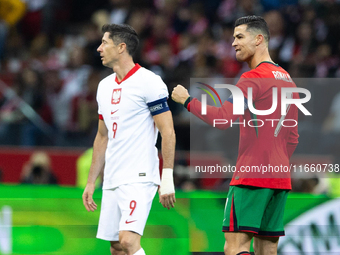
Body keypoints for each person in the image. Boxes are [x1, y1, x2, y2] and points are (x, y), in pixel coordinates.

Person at [172, 16, 299, 255]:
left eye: (240, 37)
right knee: (267, 249)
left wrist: (187, 101)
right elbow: (292, 137)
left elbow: (222, 119)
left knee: (235, 247)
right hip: (279, 178)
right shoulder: (288, 81)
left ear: (259, 39)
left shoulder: (253, 78)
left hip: (251, 177)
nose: (233, 43)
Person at [82, 24, 176, 255]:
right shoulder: (104, 87)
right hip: (113, 176)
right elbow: (102, 136)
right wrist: (91, 181)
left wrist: (168, 178)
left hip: (139, 175)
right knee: (116, 247)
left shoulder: (149, 82)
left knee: (128, 241)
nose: (99, 48)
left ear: (121, 47)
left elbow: (168, 131)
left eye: (104, 42)